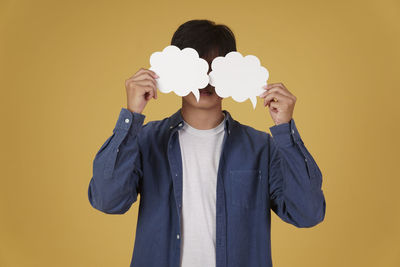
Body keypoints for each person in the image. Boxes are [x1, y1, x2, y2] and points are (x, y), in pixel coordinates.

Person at [88, 19, 326, 267]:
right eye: (196, 67)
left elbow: (307, 213)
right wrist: (132, 116)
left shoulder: (261, 148)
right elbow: (108, 200)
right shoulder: (146, 140)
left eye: (216, 69)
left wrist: (285, 131)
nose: (206, 80)